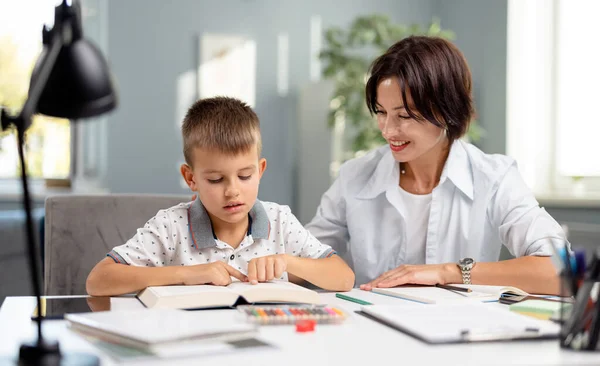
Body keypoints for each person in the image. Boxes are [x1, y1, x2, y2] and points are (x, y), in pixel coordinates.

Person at [305, 36, 565, 295]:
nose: (387, 130)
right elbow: (306, 256)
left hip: (460, 330)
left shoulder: (494, 178)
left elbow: (559, 272)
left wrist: (447, 272)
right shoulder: (355, 175)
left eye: (404, 115)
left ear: (446, 109)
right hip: (373, 328)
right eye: (381, 112)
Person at [86, 97, 355, 296]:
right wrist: (187, 273)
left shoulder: (279, 220)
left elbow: (343, 277)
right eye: (216, 179)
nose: (233, 190)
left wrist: (287, 262)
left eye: (245, 176)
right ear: (191, 178)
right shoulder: (171, 226)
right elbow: (98, 280)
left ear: (260, 170)